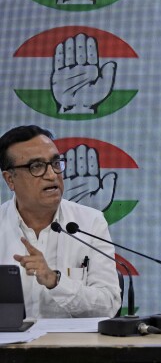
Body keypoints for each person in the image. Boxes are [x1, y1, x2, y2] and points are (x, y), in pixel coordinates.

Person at [0, 125, 121, 318]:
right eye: (36, 166)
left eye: (56, 163)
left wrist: (55, 281)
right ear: (10, 179)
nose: (52, 175)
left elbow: (109, 304)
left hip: (71, 346)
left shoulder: (90, 223)